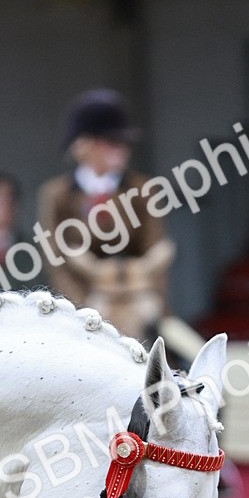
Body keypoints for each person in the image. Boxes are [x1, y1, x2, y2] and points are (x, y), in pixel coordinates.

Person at [38, 89, 175, 342]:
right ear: (84, 145)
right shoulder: (56, 196)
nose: (122, 150)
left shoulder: (143, 189)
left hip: (138, 298)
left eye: (124, 144)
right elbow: (56, 263)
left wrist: (146, 300)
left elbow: (155, 249)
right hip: (86, 303)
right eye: (112, 143)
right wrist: (84, 309)